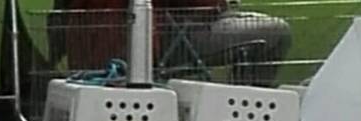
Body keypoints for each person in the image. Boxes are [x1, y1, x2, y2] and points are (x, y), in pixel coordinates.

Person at [48, 0, 291, 87]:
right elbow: (201, 5)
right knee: (276, 32)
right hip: (149, 41)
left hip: (90, 47)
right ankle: (243, 116)